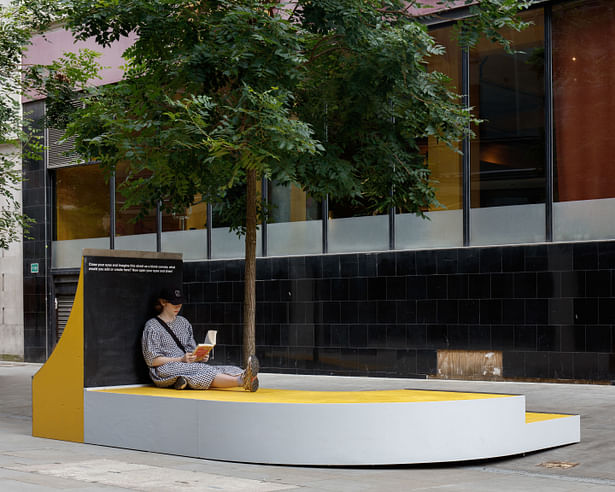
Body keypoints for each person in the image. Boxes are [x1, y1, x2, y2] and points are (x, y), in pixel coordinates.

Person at [142, 287, 259, 391]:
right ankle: (242, 381)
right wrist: (180, 359)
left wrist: (200, 355)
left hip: (188, 365)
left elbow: (191, 349)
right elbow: (152, 360)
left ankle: (244, 375)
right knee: (203, 371)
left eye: (180, 303)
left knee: (227, 368)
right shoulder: (152, 326)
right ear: (163, 302)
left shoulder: (183, 322)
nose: (178, 306)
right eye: (174, 303)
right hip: (165, 369)